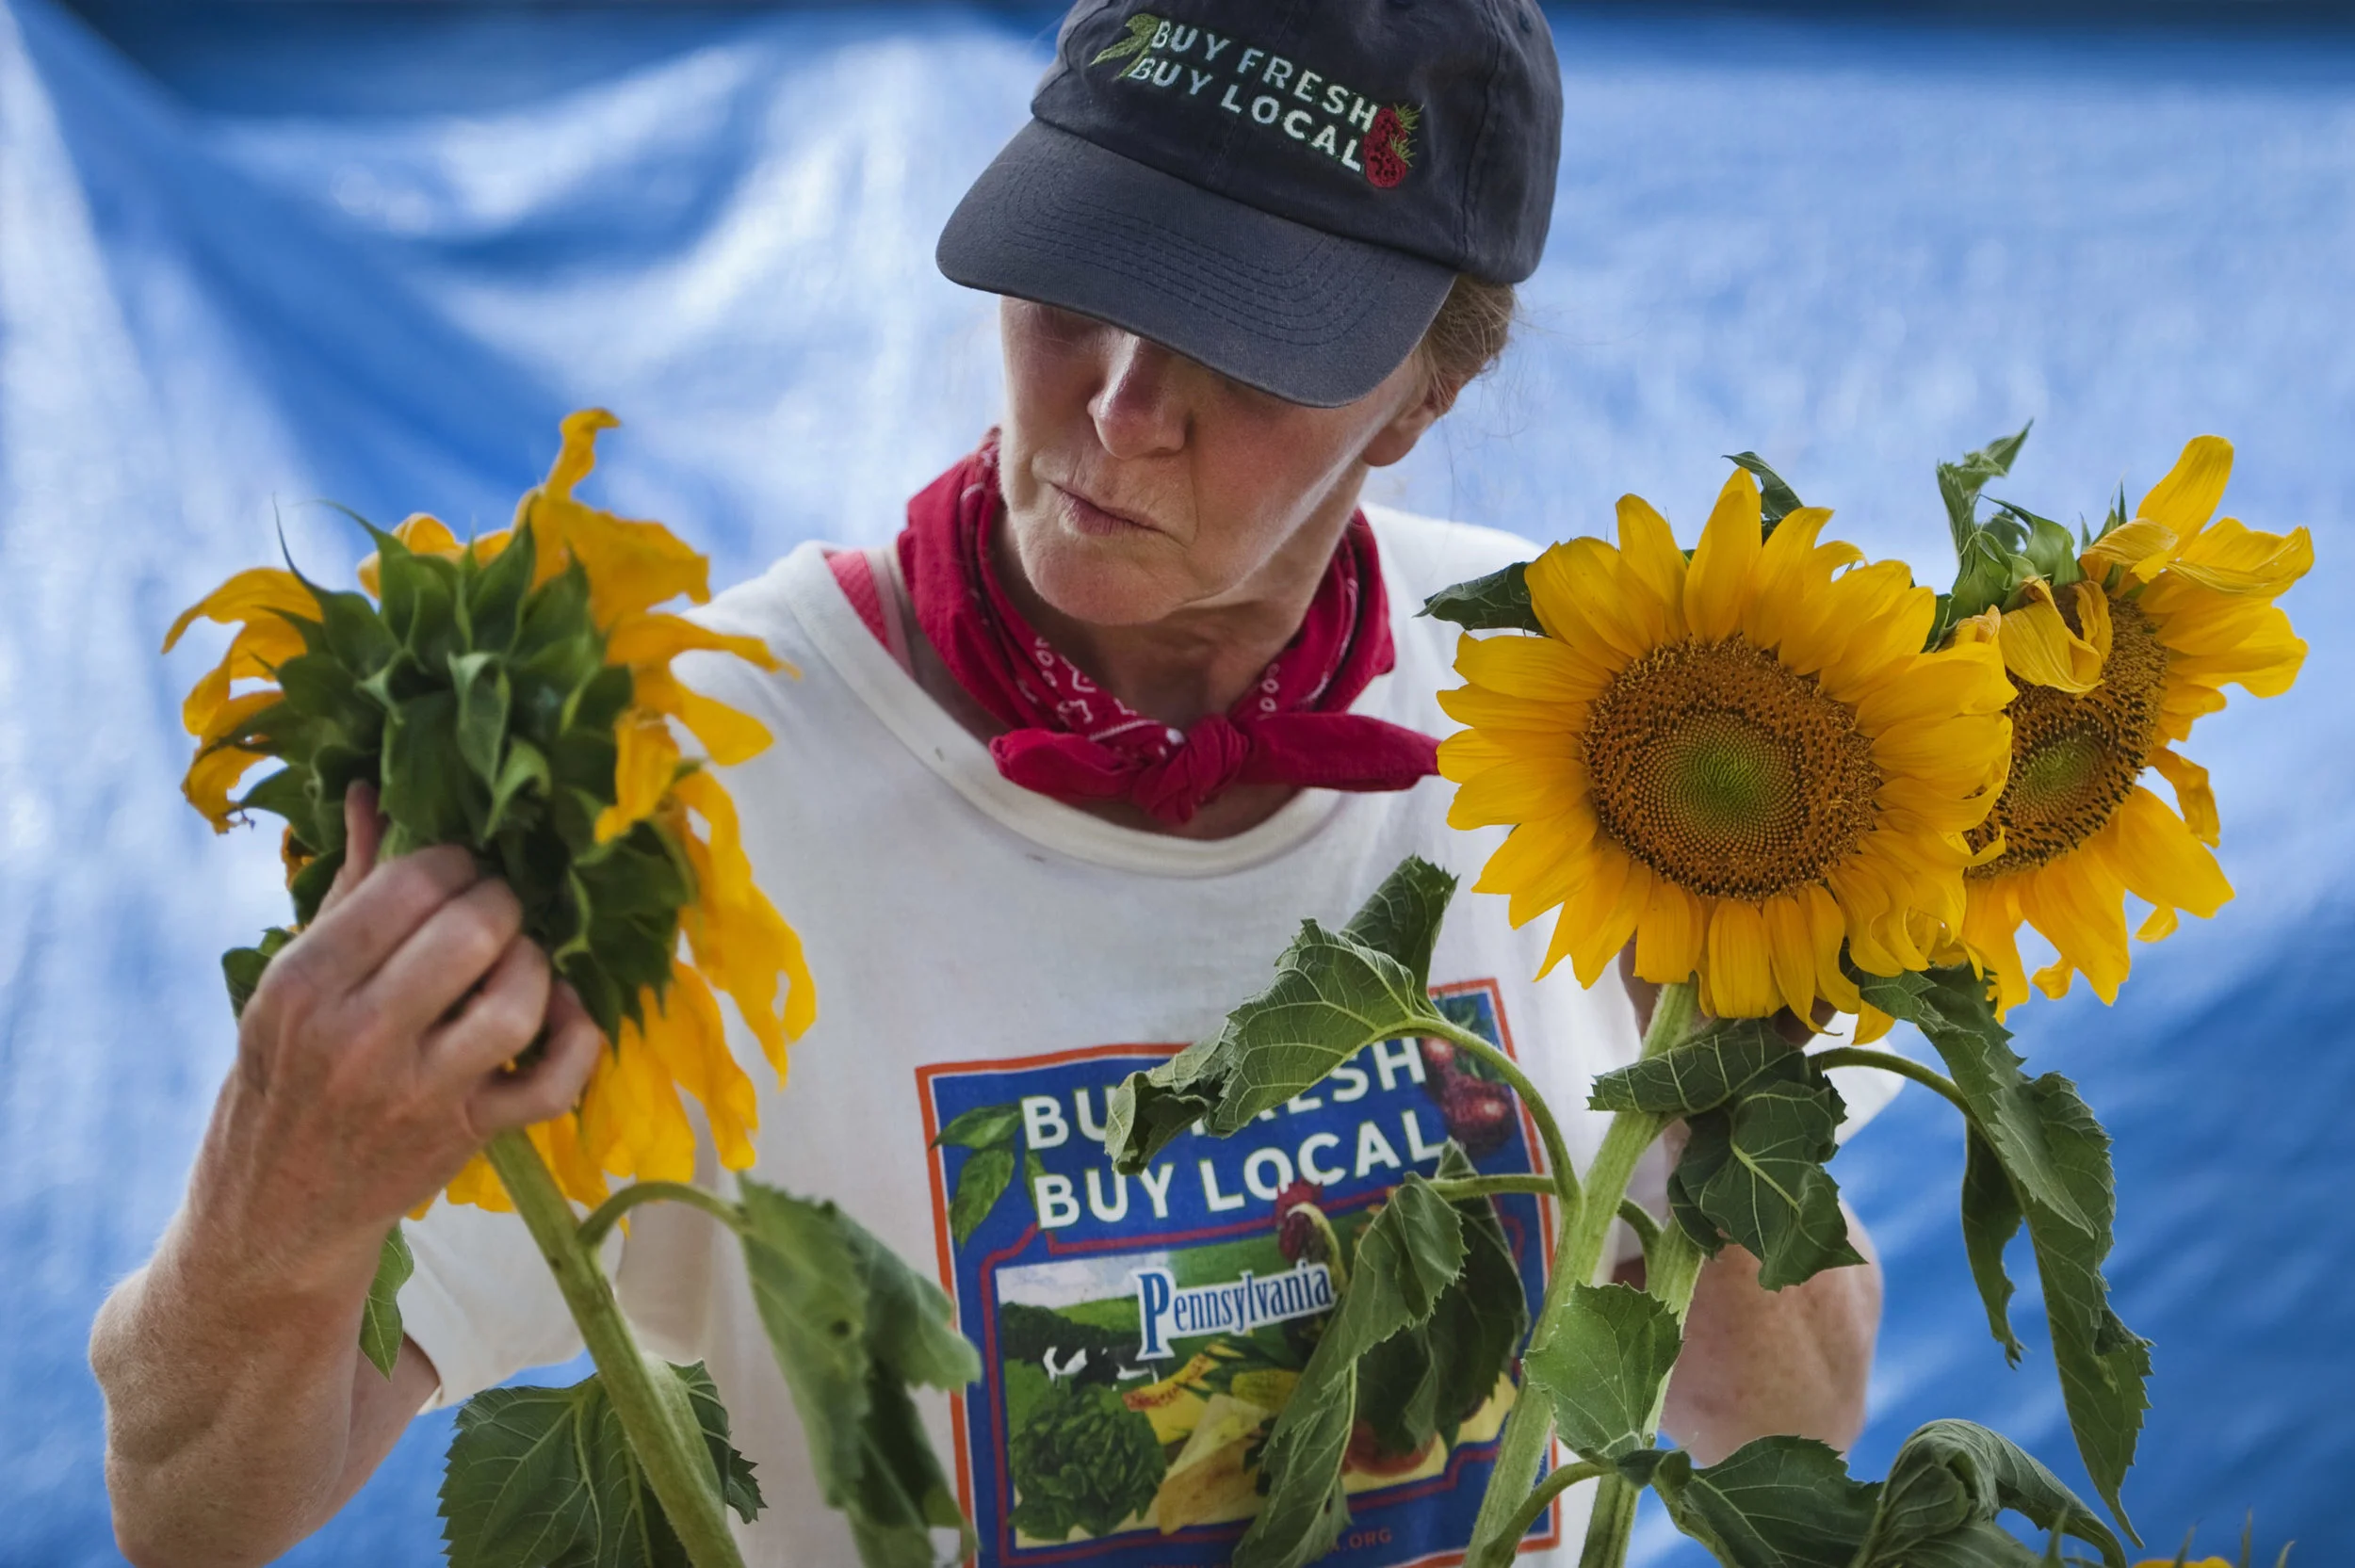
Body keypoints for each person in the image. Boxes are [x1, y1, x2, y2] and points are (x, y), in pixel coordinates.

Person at [90, 2, 1886, 1564]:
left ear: (1421, 391)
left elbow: (1773, 1433)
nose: (1117, 403)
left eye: (1243, 335)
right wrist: (285, 1191)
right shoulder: (685, 778)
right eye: (1085, 279)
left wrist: (1714, 1076)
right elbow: (202, 1512)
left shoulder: (1593, 729)